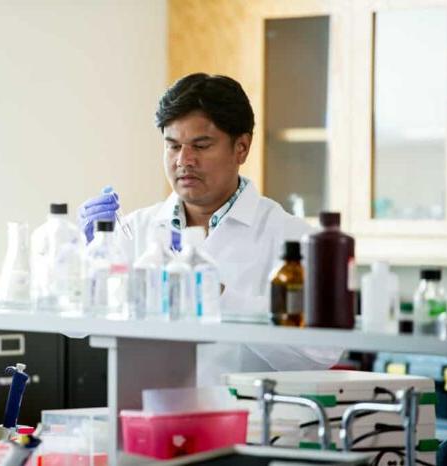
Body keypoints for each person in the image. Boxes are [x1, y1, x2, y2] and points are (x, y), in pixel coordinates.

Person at [78, 73, 339, 382]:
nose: (184, 160)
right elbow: (75, 327)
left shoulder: (291, 236)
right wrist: (87, 259)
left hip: (248, 422)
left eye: (201, 145)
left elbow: (322, 353)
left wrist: (219, 297)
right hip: (148, 417)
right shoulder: (137, 228)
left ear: (241, 147)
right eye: (173, 146)